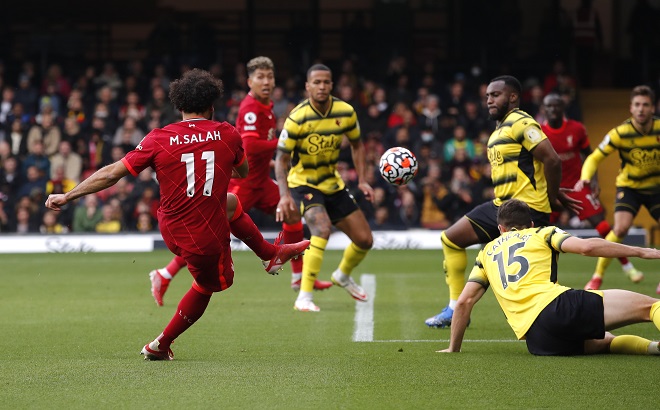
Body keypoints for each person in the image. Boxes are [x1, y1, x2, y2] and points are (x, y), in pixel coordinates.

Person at [45, 68, 310, 361]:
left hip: (170, 227)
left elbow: (111, 174)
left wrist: (68, 196)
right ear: (212, 105)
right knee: (211, 285)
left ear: (179, 105)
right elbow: (243, 171)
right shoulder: (227, 134)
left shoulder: (158, 137)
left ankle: (269, 254)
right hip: (203, 237)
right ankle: (159, 344)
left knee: (231, 201)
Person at [147, 57, 332, 307]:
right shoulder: (250, 108)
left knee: (291, 212)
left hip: (261, 182)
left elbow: (257, 149)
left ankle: (298, 278)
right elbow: (251, 144)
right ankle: (164, 274)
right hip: (241, 183)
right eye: (260, 77)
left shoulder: (267, 106)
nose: (266, 82)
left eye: (270, 77)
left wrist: (270, 159)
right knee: (207, 228)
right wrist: (283, 144)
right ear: (249, 81)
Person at [424, 75, 580, 328]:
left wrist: (550, 197)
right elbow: (535, 166)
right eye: (487, 96)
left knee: (533, 283)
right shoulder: (501, 128)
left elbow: (551, 159)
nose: (489, 100)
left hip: (526, 210)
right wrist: (553, 191)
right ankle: (454, 308)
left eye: (495, 95)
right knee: (451, 239)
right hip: (502, 207)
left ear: (513, 97)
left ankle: (558, 319)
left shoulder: (521, 122)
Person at [438, 199, 660, 356]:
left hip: (539, 340)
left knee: (605, 342)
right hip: (558, 306)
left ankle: (652, 348)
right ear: (532, 224)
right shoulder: (543, 233)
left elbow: (464, 302)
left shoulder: (486, 253)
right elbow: (586, 247)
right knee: (651, 307)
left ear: (500, 228)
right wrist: (641, 251)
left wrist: (453, 348)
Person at [275, 63, 375, 312]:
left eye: (326, 82)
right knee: (321, 229)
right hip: (304, 184)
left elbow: (357, 144)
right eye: (316, 82)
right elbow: (281, 159)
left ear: (332, 85)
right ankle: (304, 297)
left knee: (365, 240)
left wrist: (362, 180)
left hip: (333, 184)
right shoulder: (297, 117)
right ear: (307, 86)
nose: (322, 86)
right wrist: (284, 196)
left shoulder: (346, 111)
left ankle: (342, 275)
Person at [541, 93, 641, 287]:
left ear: (563, 109)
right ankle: (545, 278)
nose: (553, 110)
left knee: (603, 227)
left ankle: (628, 267)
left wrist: (593, 181)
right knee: (542, 232)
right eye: (549, 106)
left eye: (556, 106)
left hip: (578, 186)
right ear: (544, 109)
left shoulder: (577, 129)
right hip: (552, 188)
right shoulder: (538, 132)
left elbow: (590, 155)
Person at [575, 85, 660, 293]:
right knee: (620, 229)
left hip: (656, 187)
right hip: (629, 187)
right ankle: (597, 276)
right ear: (631, 108)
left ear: (653, 108)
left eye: (645, 105)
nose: (641, 109)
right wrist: (585, 178)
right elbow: (594, 157)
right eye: (637, 105)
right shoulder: (620, 133)